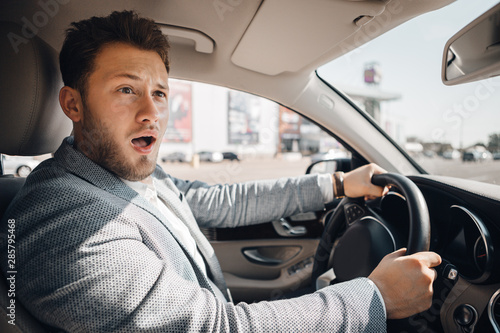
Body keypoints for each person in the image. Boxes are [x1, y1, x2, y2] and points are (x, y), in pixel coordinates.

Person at [1, 10, 441, 332]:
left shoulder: (121, 175)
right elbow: (212, 328)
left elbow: (215, 200)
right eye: (125, 90)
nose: (150, 112)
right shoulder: (61, 216)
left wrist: (337, 183)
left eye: (159, 92)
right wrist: (375, 298)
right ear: (73, 105)